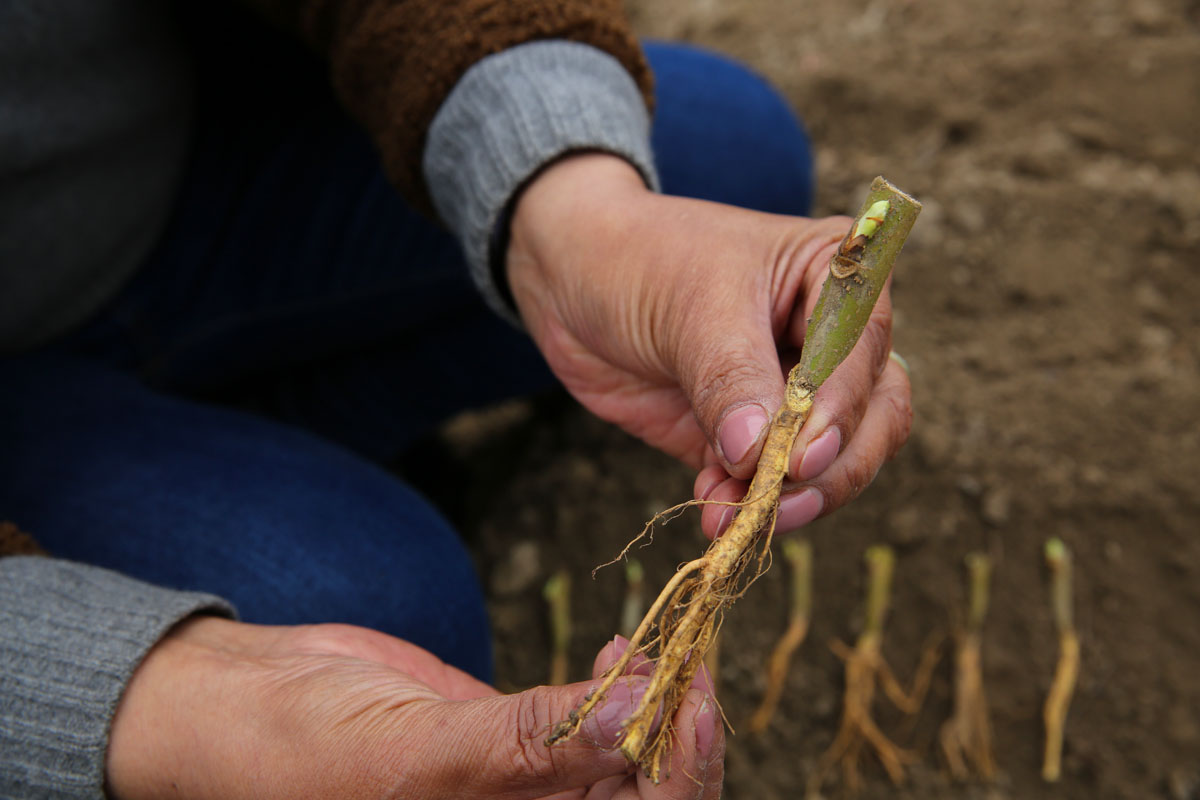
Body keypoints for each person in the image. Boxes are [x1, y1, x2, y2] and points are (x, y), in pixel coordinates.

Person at [0, 0, 912, 797]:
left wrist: (581, 219)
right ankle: (232, 466)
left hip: (174, 183)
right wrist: (134, 685)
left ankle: (265, 428)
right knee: (384, 610)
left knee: (725, 152)